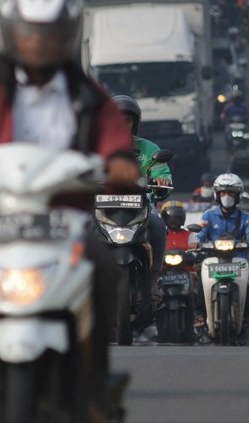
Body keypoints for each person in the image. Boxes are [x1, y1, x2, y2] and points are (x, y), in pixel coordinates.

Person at [0, 0, 139, 417]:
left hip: (63, 223)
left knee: (102, 265)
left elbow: (112, 133)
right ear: (10, 32)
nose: (38, 43)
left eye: (49, 35)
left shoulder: (85, 94)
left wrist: (120, 159)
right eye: (30, 33)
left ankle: (95, 387)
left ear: (66, 36)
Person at [112, 94, 172, 333]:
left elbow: (164, 177)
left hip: (141, 208)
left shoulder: (150, 149)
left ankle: (154, 279)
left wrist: (159, 181)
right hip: (103, 210)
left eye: (127, 121)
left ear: (134, 123)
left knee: (158, 226)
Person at [193, 173, 249, 329]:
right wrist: (197, 243)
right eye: (223, 193)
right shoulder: (208, 215)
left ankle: (248, 315)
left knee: (245, 283)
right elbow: (200, 234)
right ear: (217, 195)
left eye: (231, 193)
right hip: (213, 259)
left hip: (238, 259)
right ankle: (199, 314)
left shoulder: (247, 217)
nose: (227, 196)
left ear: (238, 196)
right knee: (202, 283)